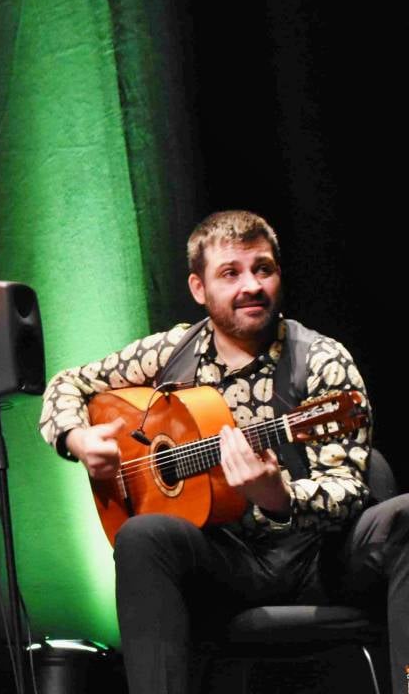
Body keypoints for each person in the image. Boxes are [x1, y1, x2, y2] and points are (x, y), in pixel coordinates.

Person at [37, 210, 407, 693]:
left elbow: (350, 491)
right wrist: (78, 439)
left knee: (403, 516)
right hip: (226, 562)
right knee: (142, 536)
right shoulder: (172, 352)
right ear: (199, 288)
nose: (250, 285)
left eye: (263, 269)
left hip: (321, 558)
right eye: (230, 273)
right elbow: (68, 383)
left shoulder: (321, 360)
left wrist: (279, 497)